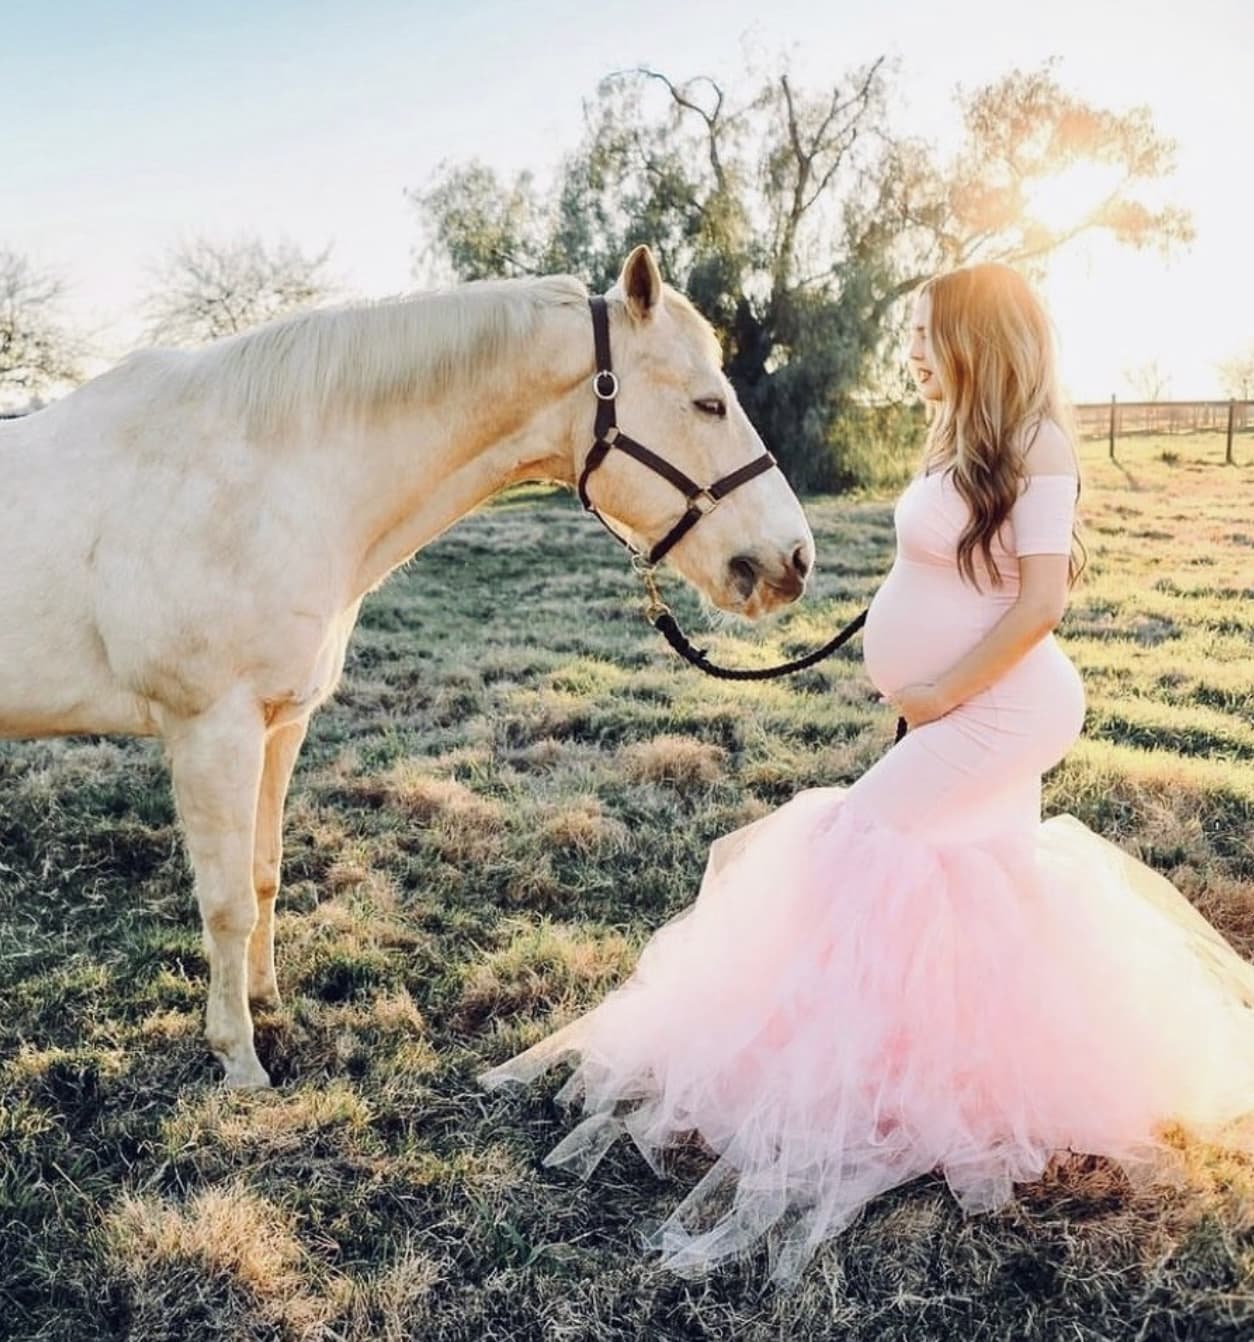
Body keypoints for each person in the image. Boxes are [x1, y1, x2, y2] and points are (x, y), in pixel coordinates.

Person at [480, 262, 1254, 1284]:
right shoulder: (958, 439)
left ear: (982, 339)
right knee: (981, 876)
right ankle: (963, 1079)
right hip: (960, 699)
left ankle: (842, 1082)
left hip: (1006, 704)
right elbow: (942, 573)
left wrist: (937, 696)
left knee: (856, 842)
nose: (915, 351)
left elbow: (1040, 603)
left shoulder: (1040, 443)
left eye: (929, 334)